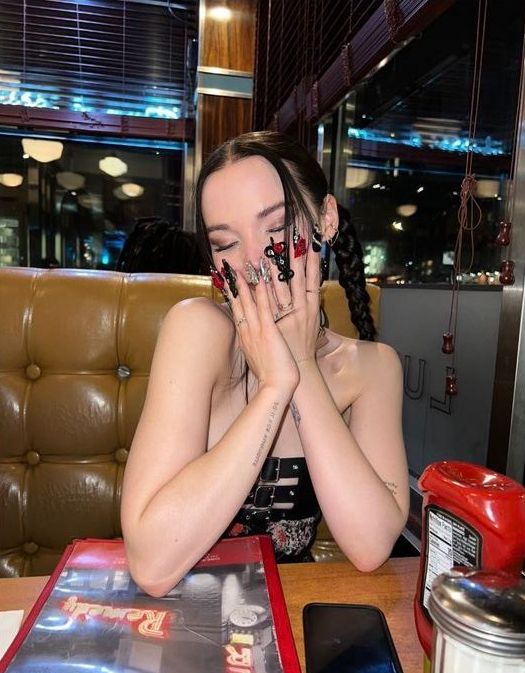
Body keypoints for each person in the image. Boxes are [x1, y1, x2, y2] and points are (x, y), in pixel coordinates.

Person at [121, 131, 409, 597]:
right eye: (225, 244)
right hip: (183, 624)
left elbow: (371, 545)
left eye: (276, 228)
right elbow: (152, 565)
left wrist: (300, 365)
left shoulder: (373, 369)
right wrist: (275, 385)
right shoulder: (197, 331)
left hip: (292, 616)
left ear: (326, 219)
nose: (254, 261)